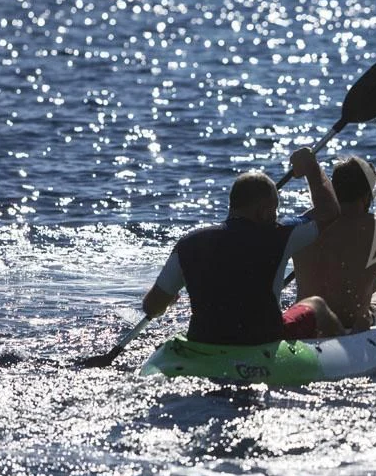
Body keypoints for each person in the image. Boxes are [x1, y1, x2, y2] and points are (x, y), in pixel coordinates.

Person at [141, 147, 344, 345]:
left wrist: (168, 299)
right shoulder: (280, 234)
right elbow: (330, 211)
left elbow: (151, 307)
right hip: (262, 339)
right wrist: (311, 167)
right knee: (316, 305)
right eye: (274, 210)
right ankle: (349, 350)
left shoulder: (188, 243)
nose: (276, 216)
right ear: (263, 212)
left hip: (204, 341)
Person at [291, 156, 376, 335]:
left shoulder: (305, 224)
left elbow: (337, 207)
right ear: (366, 197)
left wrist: (375, 188)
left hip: (306, 321)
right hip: (351, 325)